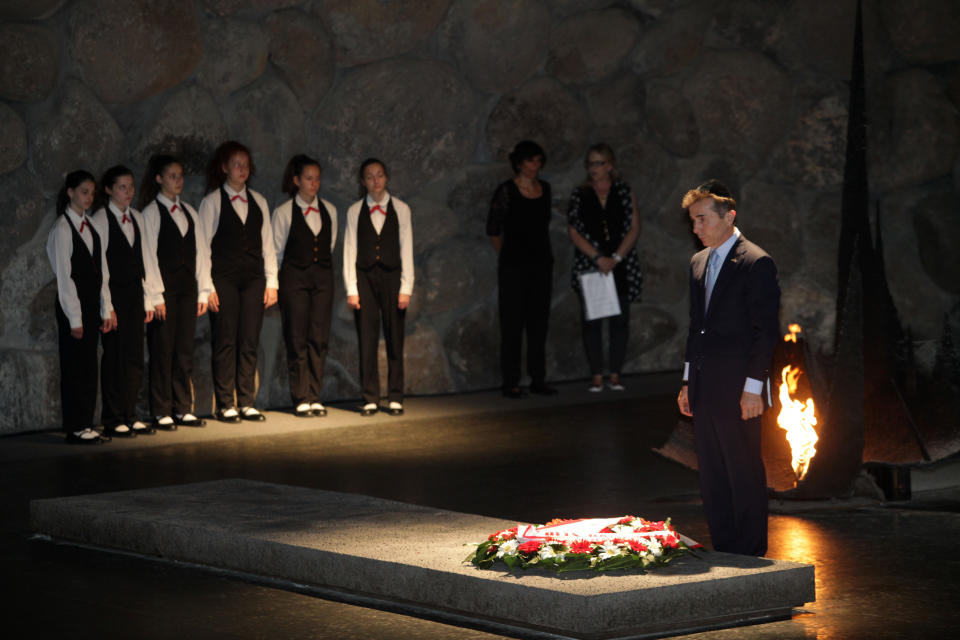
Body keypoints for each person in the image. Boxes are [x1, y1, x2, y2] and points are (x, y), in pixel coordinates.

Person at [676, 179, 780, 557]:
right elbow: (695, 327)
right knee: (714, 474)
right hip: (705, 384)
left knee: (743, 470)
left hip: (740, 388)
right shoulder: (698, 262)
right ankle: (724, 549)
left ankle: (749, 554)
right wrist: (688, 382)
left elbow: (765, 332)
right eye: (693, 221)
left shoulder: (755, 261)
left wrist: (754, 388)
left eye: (702, 219)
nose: (696, 228)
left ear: (728, 216)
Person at [199, 141, 278, 423]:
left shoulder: (259, 201)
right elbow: (203, 248)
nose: (242, 169)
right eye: (236, 164)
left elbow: (267, 244)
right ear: (224, 168)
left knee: (249, 339)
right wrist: (206, 287)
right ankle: (224, 403)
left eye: (246, 164)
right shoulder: (211, 202)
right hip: (224, 278)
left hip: (254, 278)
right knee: (225, 339)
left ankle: (246, 401)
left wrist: (272, 282)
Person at [140, 155, 213, 430]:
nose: (178, 180)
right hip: (164, 291)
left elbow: (202, 253)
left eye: (180, 175)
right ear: (159, 179)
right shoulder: (150, 213)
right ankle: (161, 409)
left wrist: (203, 291)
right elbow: (148, 257)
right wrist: (155, 296)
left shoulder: (190, 212)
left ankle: (182, 407)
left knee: (184, 350)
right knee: (162, 350)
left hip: (187, 289)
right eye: (172, 175)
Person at [91, 165, 164, 438]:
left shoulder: (136, 217)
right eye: (122, 187)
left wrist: (150, 298)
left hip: (134, 295)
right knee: (114, 358)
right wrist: (106, 304)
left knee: (134, 357)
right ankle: (112, 417)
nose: (129, 192)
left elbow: (146, 257)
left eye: (131, 186)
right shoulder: (100, 219)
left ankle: (130, 414)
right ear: (109, 190)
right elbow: (101, 267)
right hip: (115, 296)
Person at [46, 170, 116, 444]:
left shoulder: (92, 226)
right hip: (72, 307)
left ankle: (85, 422)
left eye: (91, 192)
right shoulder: (62, 229)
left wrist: (106, 307)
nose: (89, 197)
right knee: (75, 367)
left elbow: (103, 272)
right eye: (83, 192)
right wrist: (75, 317)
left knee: (89, 366)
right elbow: (65, 277)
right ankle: (75, 426)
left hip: (90, 305)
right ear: (70, 192)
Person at [566, 143, 642, 392]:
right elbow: (574, 230)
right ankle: (597, 374)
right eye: (589, 163)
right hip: (591, 265)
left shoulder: (623, 190)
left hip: (620, 263)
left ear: (609, 165)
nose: (593, 168)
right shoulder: (580, 194)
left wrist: (616, 258)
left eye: (598, 163)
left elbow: (633, 227)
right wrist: (598, 258)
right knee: (593, 322)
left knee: (620, 321)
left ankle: (615, 373)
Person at [342, 158, 414, 416]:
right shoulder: (354, 211)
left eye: (379, 175)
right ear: (363, 182)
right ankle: (370, 396)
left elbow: (407, 249)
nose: (375, 180)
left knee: (395, 336)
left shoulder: (402, 209)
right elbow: (350, 249)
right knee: (367, 337)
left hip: (393, 277)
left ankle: (395, 396)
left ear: (386, 178)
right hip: (365, 278)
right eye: (370, 176)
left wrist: (406, 287)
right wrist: (352, 288)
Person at [486, 140, 556, 399]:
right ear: (519, 163)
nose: (535, 166)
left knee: (539, 324)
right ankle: (511, 381)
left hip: (541, 265)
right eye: (530, 161)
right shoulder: (506, 190)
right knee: (512, 324)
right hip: (513, 268)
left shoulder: (545, 189)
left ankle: (538, 378)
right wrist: (507, 255)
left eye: (538, 161)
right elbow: (493, 229)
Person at [272, 154, 337, 418]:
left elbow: (328, 246)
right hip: (294, 279)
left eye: (317, 178)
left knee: (318, 338)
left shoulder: (330, 210)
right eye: (308, 179)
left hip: (322, 279)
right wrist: (274, 286)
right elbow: (276, 252)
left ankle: (314, 395)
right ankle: (300, 397)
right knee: (297, 337)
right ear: (297, 180)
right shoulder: (284, 212)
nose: (314, 183)